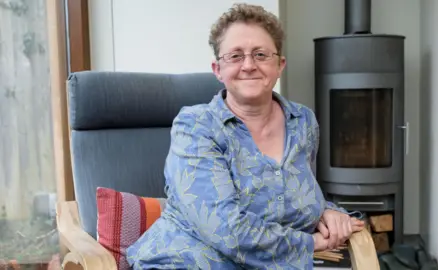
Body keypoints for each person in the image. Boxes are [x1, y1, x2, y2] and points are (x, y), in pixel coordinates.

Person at [126, 3, 364, 269]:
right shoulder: (195, 127)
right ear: (217, 69)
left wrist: (327, 211)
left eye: (261, 54)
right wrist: (310, 244)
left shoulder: (303, 121)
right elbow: (226, 229)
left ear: (280, 65)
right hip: (185, 262)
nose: (249, 65)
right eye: (235, 56)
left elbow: (296, 194)